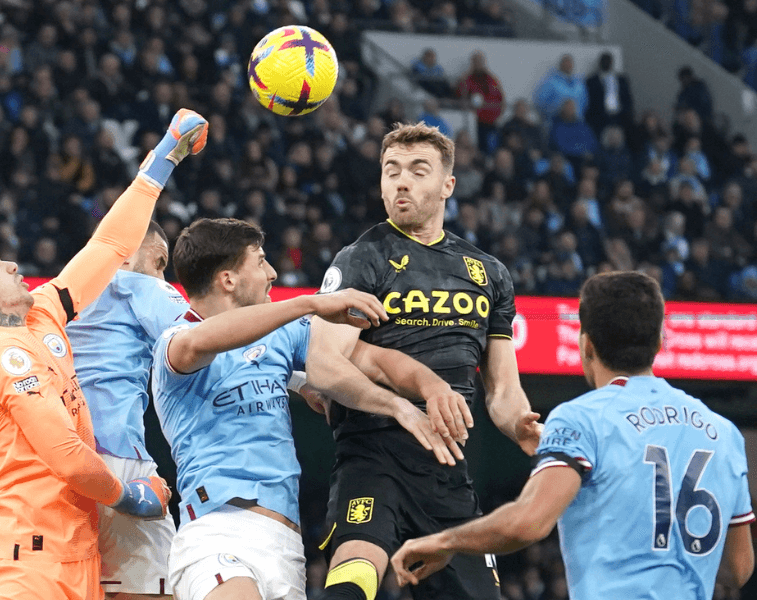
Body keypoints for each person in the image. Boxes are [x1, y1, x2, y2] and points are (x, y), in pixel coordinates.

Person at [0, 109, 208, 600]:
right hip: (25, 570)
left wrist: (163, 159)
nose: (9, 262)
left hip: (74, 560)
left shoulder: (41, 313)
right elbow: (68, 457)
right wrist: (132, 497)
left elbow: (111, 245)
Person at [153, 218, 472, 600]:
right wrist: (309, 303)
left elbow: (374, 361)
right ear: (228, 280)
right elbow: (204, 341)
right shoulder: (174, 342)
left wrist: (425, 389)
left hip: (286, 544)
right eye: (260, 262)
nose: (272, 273)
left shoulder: (281, 335)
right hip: (216, 531)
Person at [390, 271, 756, 598]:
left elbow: (528, 522)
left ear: (587, 345)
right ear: (660, 342)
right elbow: (738, 569)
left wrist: (445, 541)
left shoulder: (582, 418)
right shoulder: (724, 433)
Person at [311, 122, 541, 600]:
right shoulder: (361, 258)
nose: (401, 181)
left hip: (447, 469)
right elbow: (325, 366)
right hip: (372, 457)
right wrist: (400, 407)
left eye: (418, 171)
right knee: (354, 579)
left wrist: (519, 424)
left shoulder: (489, 273)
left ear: (447, 186)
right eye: (391, 170)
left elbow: (500, 388)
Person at [65, 219, 187, 599]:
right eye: (160, 266)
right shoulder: (142, 284)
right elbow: (203, 340)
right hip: (116, 459)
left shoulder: (60, 297)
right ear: (154, 257)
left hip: (59, 462)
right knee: (155, 589)